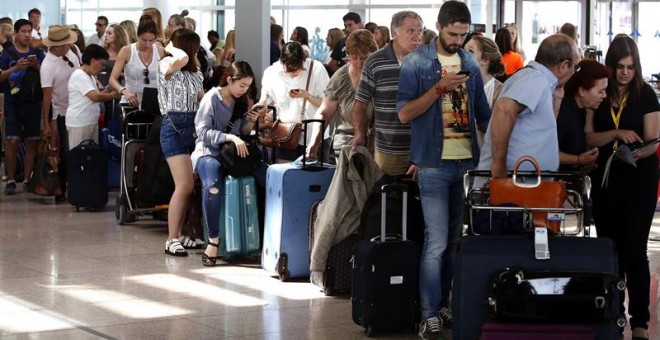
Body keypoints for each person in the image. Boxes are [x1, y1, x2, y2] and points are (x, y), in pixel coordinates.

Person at [397, 2, 491, 338]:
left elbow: (483, 113)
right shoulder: (417, 63)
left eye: (464, 34)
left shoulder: (468, 61)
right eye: (453, 33)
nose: (458, 40)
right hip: (433, 164)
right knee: (435, 243)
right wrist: (440, 89)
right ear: (439, 27)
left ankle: (447, 305)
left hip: (466, 163)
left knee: (454, 241)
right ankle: (429, 313)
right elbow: (405, 114)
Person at [585, 36, 659, 340]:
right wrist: (616, 134)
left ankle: (639, 321)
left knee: (635, 252)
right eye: (620, 67)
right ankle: (611, 313)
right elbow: (589, 137)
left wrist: (630, 153)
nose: (625, 73)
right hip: (606, 181)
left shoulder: (646, 95)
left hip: (639, 181)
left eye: (630, 67)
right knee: (609, 248)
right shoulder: (600, 93)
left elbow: (652, 143)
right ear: (611, 65)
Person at [192, 60, 266, 266]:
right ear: (230, 80)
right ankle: (214, 241)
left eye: (248, 87)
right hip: (210, 152)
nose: (244, 90)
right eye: (242, 85)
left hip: (233, 155)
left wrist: (252, 120)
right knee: (212, 185)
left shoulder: (240, 101)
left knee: (268, 178)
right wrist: (229, 138)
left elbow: (242, 131)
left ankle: (261, 238)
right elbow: (203, 132)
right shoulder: (212, 98)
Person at [477, 33, 580, 179]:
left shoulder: (539, 80)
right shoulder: (535, 78)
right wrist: (499, 165)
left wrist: (557, 99)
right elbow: (505, 109)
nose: (574, 73)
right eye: (575, 68)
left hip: (524, 184)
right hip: (512, 185)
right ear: (563, 65)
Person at [348, 11, 424, 176]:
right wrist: (360, 132)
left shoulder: (427, 61)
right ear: (393, 32)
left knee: (421, 199)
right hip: (388, 149)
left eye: (420, 31)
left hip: (422, 149)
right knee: (388, 198)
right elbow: (360, 103)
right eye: (410, 31)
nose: (416, 36)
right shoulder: (375, 61)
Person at [158, 28, 205, 257]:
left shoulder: (195, 72)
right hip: (173, 129)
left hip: (193, 129)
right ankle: (171, 238)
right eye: (195, 47)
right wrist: (169, 47)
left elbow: (200, 97)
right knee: (184, 185)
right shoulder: (167, 65)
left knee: (188, 187)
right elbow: (183, 58)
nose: (197, 52)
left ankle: (183, 234)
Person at [306, 29, 378, 160]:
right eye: (354, 58)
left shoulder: (381, 75)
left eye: (364, 58)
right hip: (346, 144)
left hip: (378, 145)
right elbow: (325, 112)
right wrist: (315, 141)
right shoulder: (340, 78)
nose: (359, 63)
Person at [258, 41, 330, 162]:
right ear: (282, 62)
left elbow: (327, 104)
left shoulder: (316, 69)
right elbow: (265, 99)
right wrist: (262, 107)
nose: (294, 72)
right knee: (286, 177)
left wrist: (308, 96)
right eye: (290, 69)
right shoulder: (272, 72)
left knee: (315, 179)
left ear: (303, 60)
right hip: (286, 136)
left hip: (313, 136)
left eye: (297, 68)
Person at [0, 19, 46, 195]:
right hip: (12, 103)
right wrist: (15, 68)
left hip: (33, 103)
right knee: (12, 141)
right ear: (16, 34)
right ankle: (11, 179)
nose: (27, 35)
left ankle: (27, 179)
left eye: (29, 31)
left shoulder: (38, 54)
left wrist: (38, 66)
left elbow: (48, 78)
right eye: (23, 31)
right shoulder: (6, 55)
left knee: (32, 142)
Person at [40, 25, 83, 202]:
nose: (67, 46)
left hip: (78, 107)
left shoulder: (71, 51)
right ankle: (62, 189)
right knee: (65, 152)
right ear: (55, 46)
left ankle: (77, 185)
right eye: (64, 44)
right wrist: (47, 124)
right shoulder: (47, 66)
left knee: (76, 149)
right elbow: (46, 97)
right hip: (61, 112)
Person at [556, 59, 607, 172]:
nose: (604, 96)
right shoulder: (563, 113)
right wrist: (578, 160)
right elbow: (548, 152)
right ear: (583, 90)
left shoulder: (582, 110)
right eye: (600, 91)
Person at [66, 44, 117, 147]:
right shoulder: (80, 75)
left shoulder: (90, 76)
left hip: (89, 122)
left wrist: (108, 89)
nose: (103, 68)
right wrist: (113, 95)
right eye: (102, 64)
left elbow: (96, 95)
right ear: (93, 61)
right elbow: (95, 97)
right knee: (80, 156)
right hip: (80, 123)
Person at [109, 19, 164, 108]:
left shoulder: (160, 51)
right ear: (138, 36)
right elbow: (112, 80)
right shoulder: (126, 51)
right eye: (144, 40)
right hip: (130, 100)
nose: (147, 44)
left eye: (151, 40)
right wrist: (124, 91)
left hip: (154, 102)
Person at [464, 35, 505, 108]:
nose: (463, 55)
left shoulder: (499, 92)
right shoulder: (457, 83)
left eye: (470, 51)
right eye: (464, 50)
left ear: (485, 60)